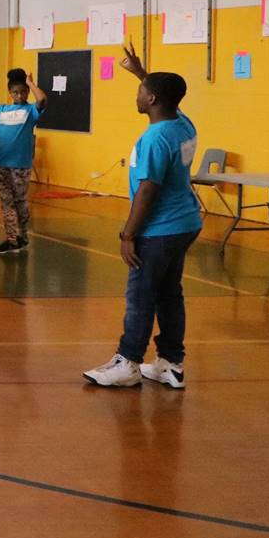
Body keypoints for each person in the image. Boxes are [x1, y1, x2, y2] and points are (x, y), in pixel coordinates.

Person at [84, 44, 202, 390]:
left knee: (141, 296)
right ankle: (171, 363)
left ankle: (128, 362)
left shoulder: (155, 139)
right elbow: (165, 96)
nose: (137, 94)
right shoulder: (182, 123)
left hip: (159, 229)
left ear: (151, 100)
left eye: (141, 90)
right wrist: (140, 71)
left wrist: (128, 235)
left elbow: (147, 192)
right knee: (169, 294)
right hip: (186, 223)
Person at [0, 67, 49, 254]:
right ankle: (12, 238)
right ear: (10, 93)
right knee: (7, 201)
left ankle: (22, 235)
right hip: (0, 163)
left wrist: (30, 82)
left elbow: (42, 100)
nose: (20, 95)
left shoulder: (30, 111)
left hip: (20, 165)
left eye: (23, 92)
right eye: (16, 92)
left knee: (20, 200)